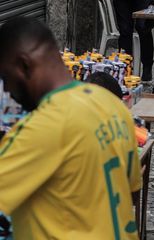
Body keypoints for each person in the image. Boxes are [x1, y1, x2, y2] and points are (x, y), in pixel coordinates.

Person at [0, 17, 141, 239]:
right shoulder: (112, 105)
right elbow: (132, 191)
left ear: (24, 65)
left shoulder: (41, 128)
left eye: (5, 77)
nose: (7, 89)